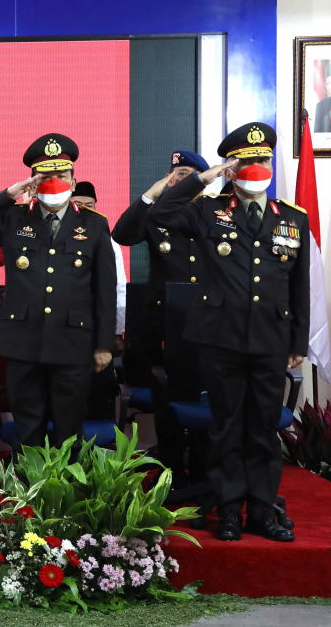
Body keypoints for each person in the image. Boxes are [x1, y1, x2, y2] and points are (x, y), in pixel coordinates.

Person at [150, 121, 309, 543]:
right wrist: (203, 179)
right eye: (246, 161)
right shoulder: (207, 210)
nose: (256, 168)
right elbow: (159, 214)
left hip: (271, 339)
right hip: (221, 337)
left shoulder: (292, 218)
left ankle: (262, 511)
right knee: (226, 426)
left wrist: (298, 340)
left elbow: (299, 284)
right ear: (232, 168)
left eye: (262, 160)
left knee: (263, 429)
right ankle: (230, 510)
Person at [0, 133, 116, 450]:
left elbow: (105, 289)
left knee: (70, 430)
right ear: (32, 182)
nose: (55, 182)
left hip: (73, 343)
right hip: (23, 343)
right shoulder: (13, 217)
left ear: (74, 181)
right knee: (27, 429)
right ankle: (27, 483)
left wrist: (103, 344)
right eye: (45, 176)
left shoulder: (94, 224)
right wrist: (9, 195)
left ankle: (67, 484)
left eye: (62, 175)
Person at [111, 150, 208, 487]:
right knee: (165, 397)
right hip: (164, 323)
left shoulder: (214, 212)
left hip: (205, 323)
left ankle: (203, 471)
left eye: (189, 174)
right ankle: (170, 470)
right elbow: (123, 235)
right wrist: (149, 196)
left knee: (203, 397)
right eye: (176, 173)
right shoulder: (158, 214)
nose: (181, 179)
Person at [70, 181, 127, 355]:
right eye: (77, 204)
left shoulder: (108, 241)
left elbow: (118, 288)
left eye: (89, 205)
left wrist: (116, 331)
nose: (83, 210)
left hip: (94, 321)